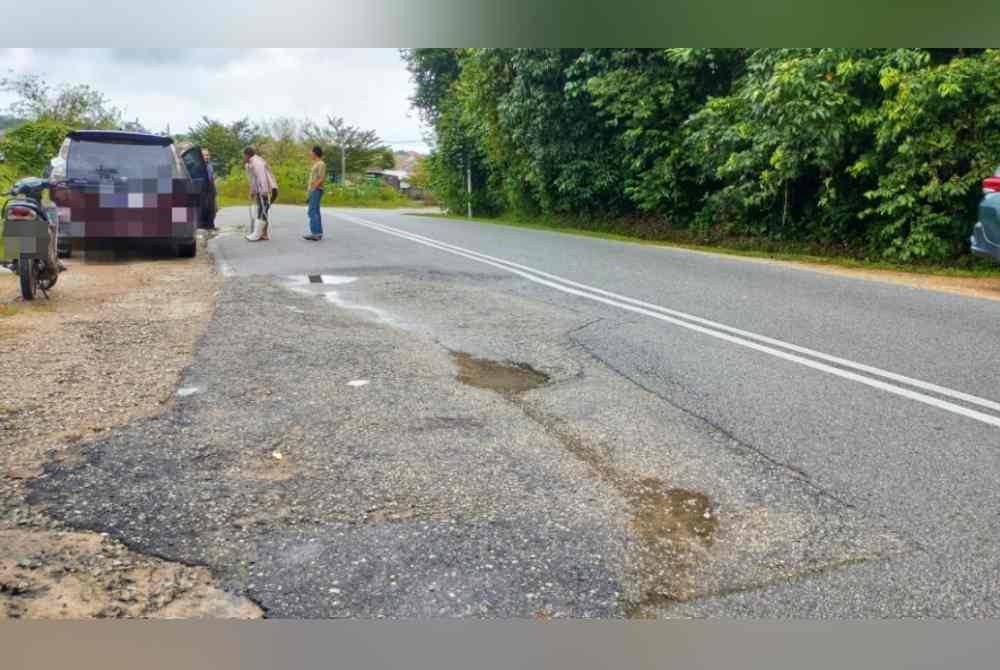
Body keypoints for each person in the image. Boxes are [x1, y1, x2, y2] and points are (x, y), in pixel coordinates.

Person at [244, 147, 278, 241]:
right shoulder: (253, 161)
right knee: (263, 210)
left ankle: (257, 234)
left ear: (247, 155)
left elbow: (262, 177)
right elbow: (254, 179)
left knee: (262, 211)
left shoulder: (256, 162)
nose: (244, 158)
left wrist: (264, 191)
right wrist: (253, 191)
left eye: (244, 156)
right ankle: (263, 234)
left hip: (267, 189)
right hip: (266, 189)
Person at [304, 145, 326, 241]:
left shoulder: (321, 164)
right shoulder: (316, 164)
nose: (310, 154)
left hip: (316, 189)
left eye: (311, 152)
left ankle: (315, 233)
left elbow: (321, 178)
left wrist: (313, 189)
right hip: (314, 190)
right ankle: (318, 233)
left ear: (315, 153)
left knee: (312, 211)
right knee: (315, 211)